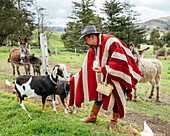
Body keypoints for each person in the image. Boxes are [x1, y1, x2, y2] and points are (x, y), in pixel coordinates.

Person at [68, 25, 141, 131]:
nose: (85, 42)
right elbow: (87, 66)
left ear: (92, 37)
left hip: (119, 76)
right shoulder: (95, 47)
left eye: (85, 39)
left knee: (117, 98)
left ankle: (114, 121)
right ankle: (92, 116)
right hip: (106, 76)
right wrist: (73, 78)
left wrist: (104, 69)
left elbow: (120, 63)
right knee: (100, 93)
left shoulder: (111, 42)